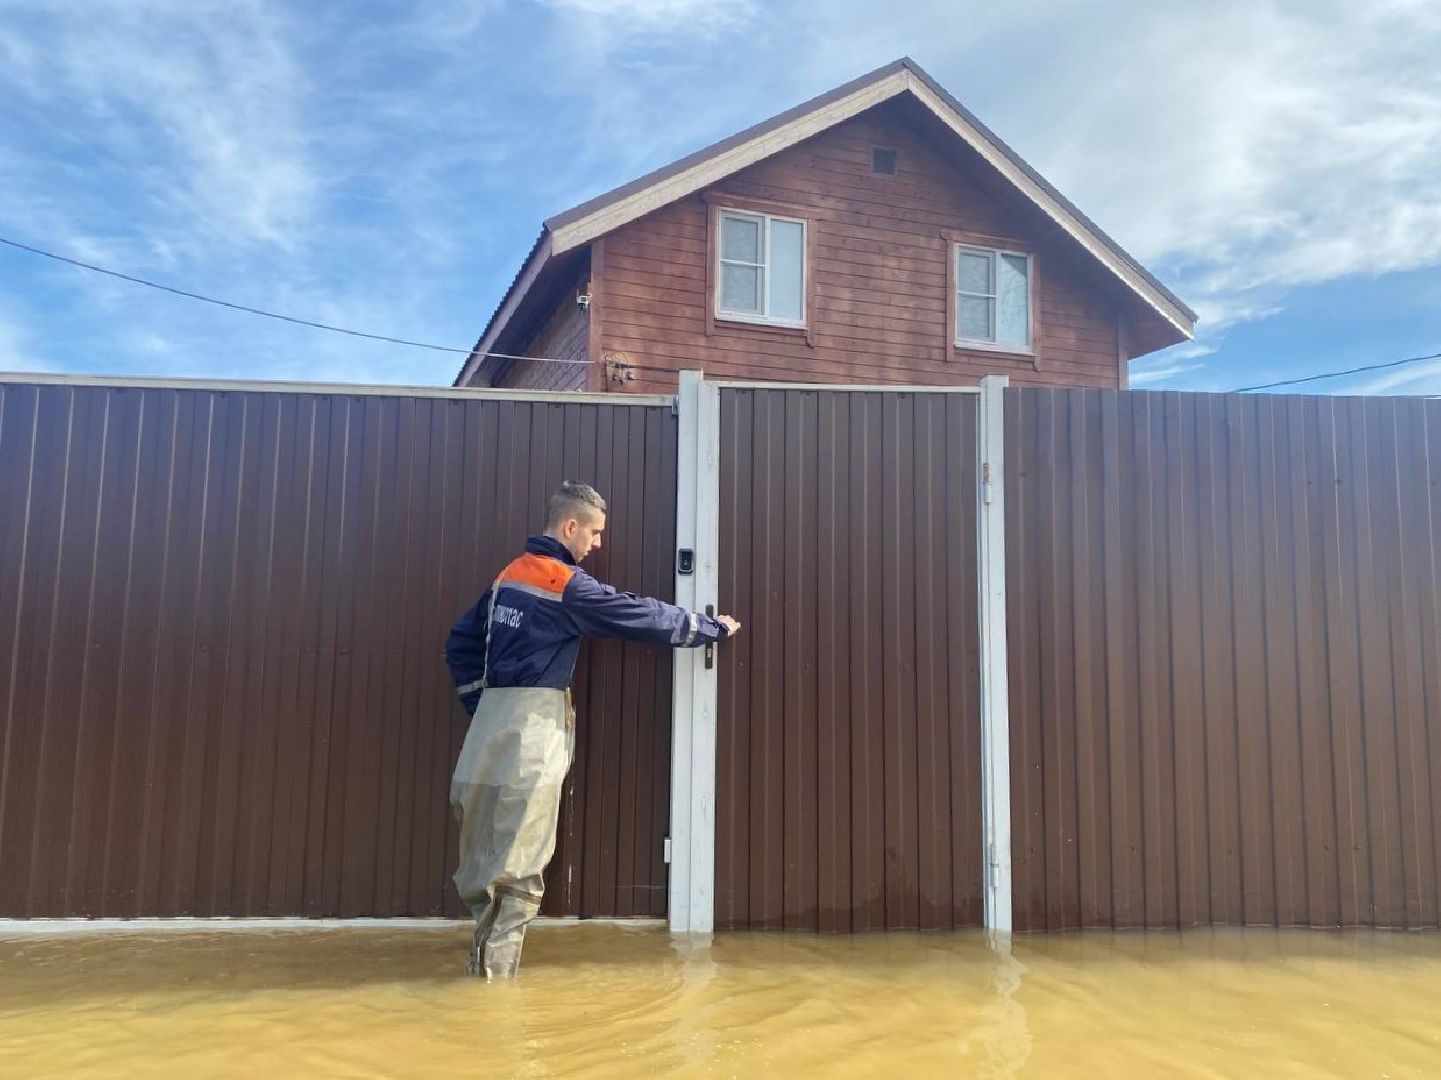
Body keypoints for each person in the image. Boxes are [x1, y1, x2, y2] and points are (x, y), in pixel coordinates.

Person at [445, 480, 740, 978]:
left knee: (482, 862)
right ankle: (491, 1000)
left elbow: (460, 644)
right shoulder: (564, 583)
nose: (598, 544)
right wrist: (706, 627)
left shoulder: (507, 578)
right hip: (531, 736)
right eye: (596, 533)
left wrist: (483, 704)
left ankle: (480, 974)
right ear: (570, 527)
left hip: (487, 735)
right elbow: (636, 613)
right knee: (519, 864)